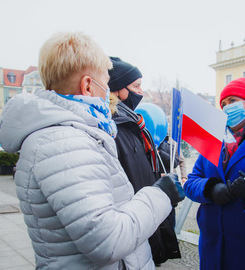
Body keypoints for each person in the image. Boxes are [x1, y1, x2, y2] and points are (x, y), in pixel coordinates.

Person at [0, 32, 184, 270]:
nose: (108, 92)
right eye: (106, 83)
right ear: (87, 85)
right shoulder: (63, 142)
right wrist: (162, 194)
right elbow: (108, 241)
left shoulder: (73, 133)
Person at [184, 77, 245, 269]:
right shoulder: (214, 137)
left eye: (233, 101)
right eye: (223, 104)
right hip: (212, 247)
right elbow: (191, 182)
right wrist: (211, 189)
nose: (227, 107)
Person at [108, 56, 181, 265]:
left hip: (144, 224)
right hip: (132, 229)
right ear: (117, 89)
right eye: (136, 85)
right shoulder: (114, 128)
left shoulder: (133, 123)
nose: (141, 91)